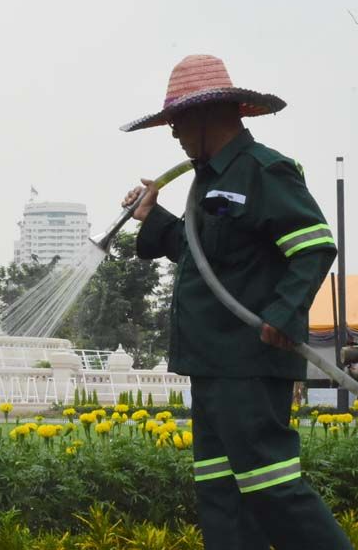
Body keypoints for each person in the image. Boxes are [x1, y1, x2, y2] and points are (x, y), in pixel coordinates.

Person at [121, 54, 348, 549]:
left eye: (178, 121)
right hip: (211, 364)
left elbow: (313, 248)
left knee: (272, 488)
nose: (174, 135)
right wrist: (152, 216)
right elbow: (198, 252)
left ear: (208, 116)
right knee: (222, 497)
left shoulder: (264, 172)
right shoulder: (207, 182)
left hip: (248, 361)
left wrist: (283, 314)